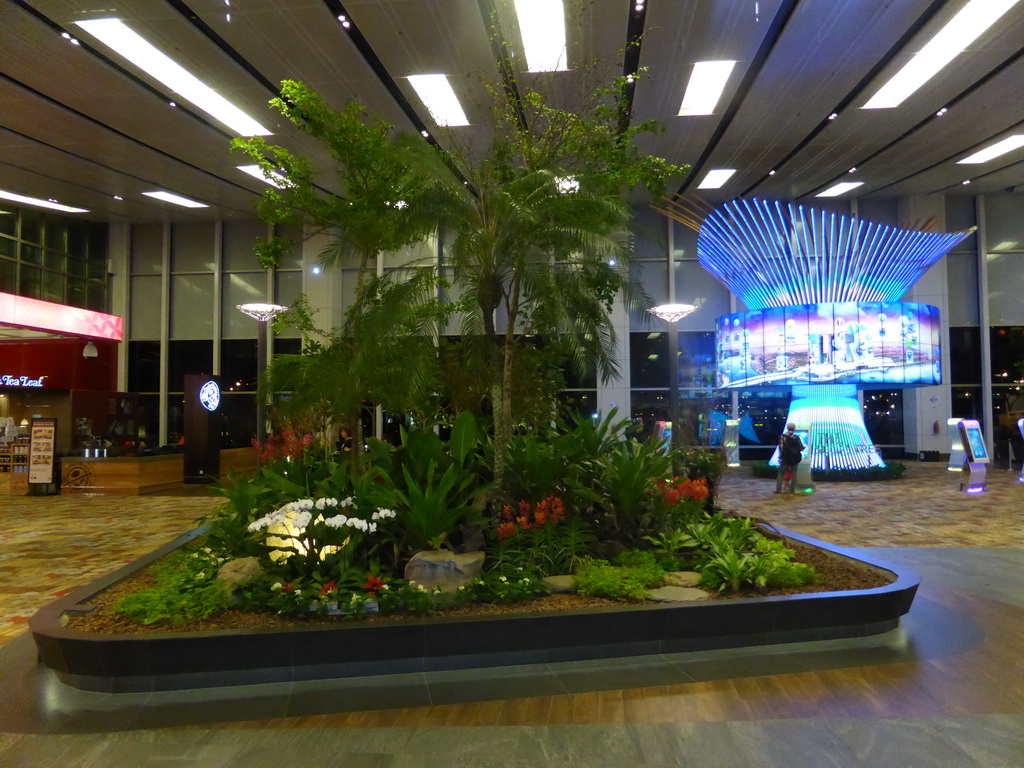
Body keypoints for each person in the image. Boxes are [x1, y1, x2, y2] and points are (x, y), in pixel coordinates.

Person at [775, 423, 804, 494]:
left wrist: (780, 457)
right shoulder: (796, 438)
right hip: (795, 458)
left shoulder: (783, 436)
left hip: (786, 458)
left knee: (781, 474)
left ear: (787, 428)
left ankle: (778, 489)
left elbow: (781, 448)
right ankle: (792, 489)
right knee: (794, 474)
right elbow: (801, 447)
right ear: (794, 429)